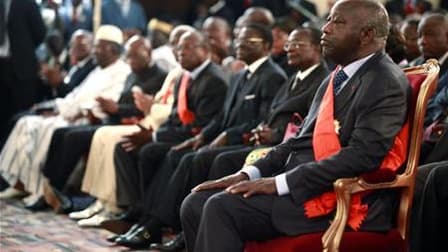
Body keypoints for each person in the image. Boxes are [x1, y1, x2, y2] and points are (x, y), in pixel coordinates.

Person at [180, 1, 410, 251]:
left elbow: (363, 155)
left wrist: (279, 183)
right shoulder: (337, 77)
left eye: (337, 22)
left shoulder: (384, 80)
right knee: (194, 202)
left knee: (220, 207)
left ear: (366, 34)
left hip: (337, 198)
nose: (326, 28)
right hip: (300, 188)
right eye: (328, 19)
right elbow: (296, 142)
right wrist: (249, 174)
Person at [148, 26, 329, 252]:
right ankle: (154, 222)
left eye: (297, 45)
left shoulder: (317, 79)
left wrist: (270, 134)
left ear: (316, 48)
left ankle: (172, 230)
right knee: (189, 176)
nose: (290, 49)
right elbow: (258, 117)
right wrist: (206, 136)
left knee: (217, 162)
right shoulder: (291, 78)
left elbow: (299, 127)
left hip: (279, 149)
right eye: (288, 45)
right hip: (268, 143)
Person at [69, 30, 228, 236]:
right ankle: (135, 210)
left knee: (155, 152)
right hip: (179, 135)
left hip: (196, 140)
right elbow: (173, 117)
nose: (180, 52)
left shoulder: (214, 79)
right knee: (129, 148)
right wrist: (154, 132)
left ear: (205, 50)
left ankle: (151, 220)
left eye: (187, 48)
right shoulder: (185, 76)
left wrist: (154, 136)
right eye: (178, 48)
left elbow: (200, 127)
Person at [0, 25, 130, 208]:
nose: (95, 51)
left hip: (84, 119)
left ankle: (41, 190)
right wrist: (57, 108)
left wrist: (79, 111)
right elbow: (74, 95)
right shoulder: (98, 71)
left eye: (98, 47)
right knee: (26, 123)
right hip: (68, 113)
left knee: (45, 131)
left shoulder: (122, 71)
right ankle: (20, 183)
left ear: (111, 48)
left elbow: (105, 103)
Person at [41, 35, 167, 215]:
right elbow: (121, 102)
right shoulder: (131, 74)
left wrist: (117, 109)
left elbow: (149, 110)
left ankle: (95, 200)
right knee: (62, 132)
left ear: (148, 53)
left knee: (80, 137)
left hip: (134, 123)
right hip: (112, 119)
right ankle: (51, 186)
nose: (130, 61)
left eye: (135, 56)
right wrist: (109, 107)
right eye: (128, 56)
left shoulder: (160, 76)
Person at [0, 0, 46, 145]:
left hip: (22, 68)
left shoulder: (26, 2)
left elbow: (40, 32)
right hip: (1, 66)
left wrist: (23, 49)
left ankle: (18, 153)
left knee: (22, 113)